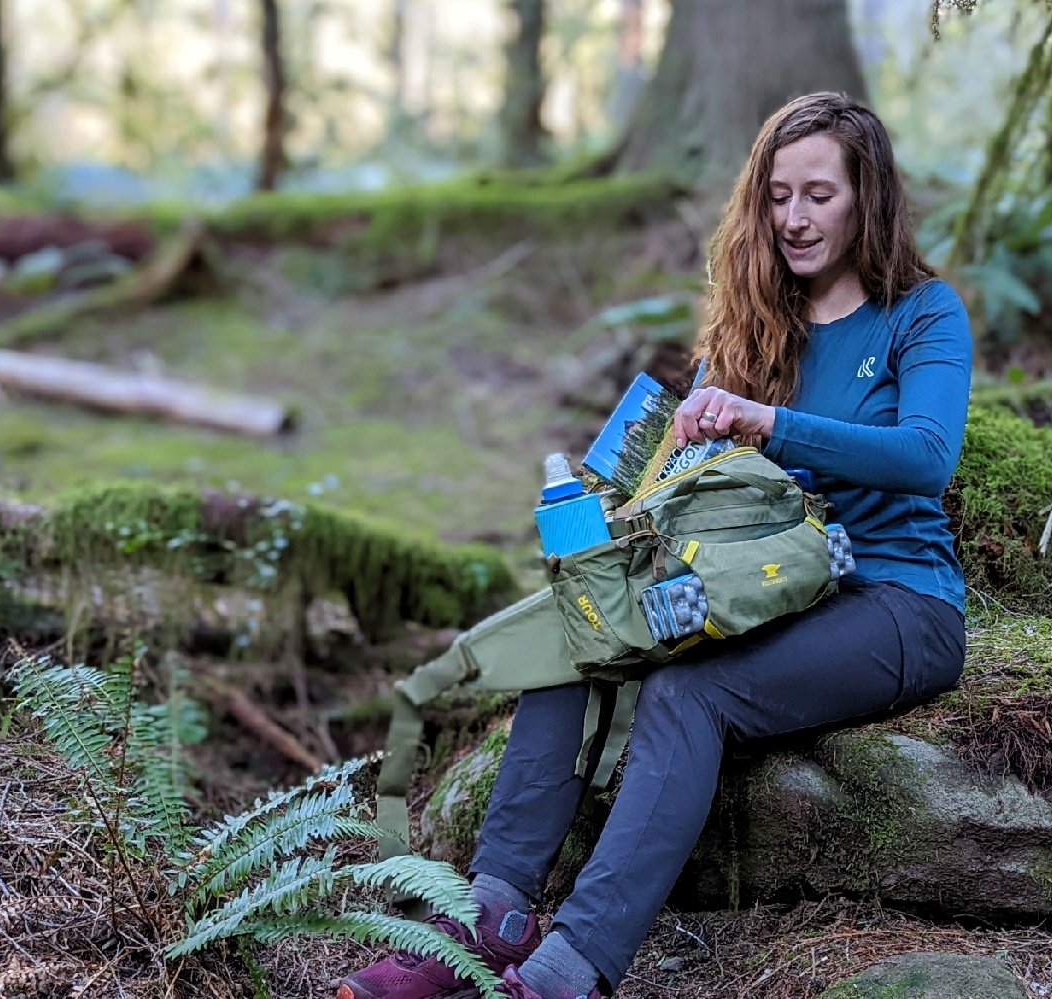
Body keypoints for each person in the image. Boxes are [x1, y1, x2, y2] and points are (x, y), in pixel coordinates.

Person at [338, 90, 972, 999]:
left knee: (689, 692)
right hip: (753, 582)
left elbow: (925, 456)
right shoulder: (758, 323)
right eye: (778, 195)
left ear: (868, 197)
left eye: (819, 195)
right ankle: (490, 914)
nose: (794, 219)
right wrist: (632, 487)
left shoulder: (922, 313)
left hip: (892, 600)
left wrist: (766, 422)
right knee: (581, 639)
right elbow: (683, 493)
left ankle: (572, 969)